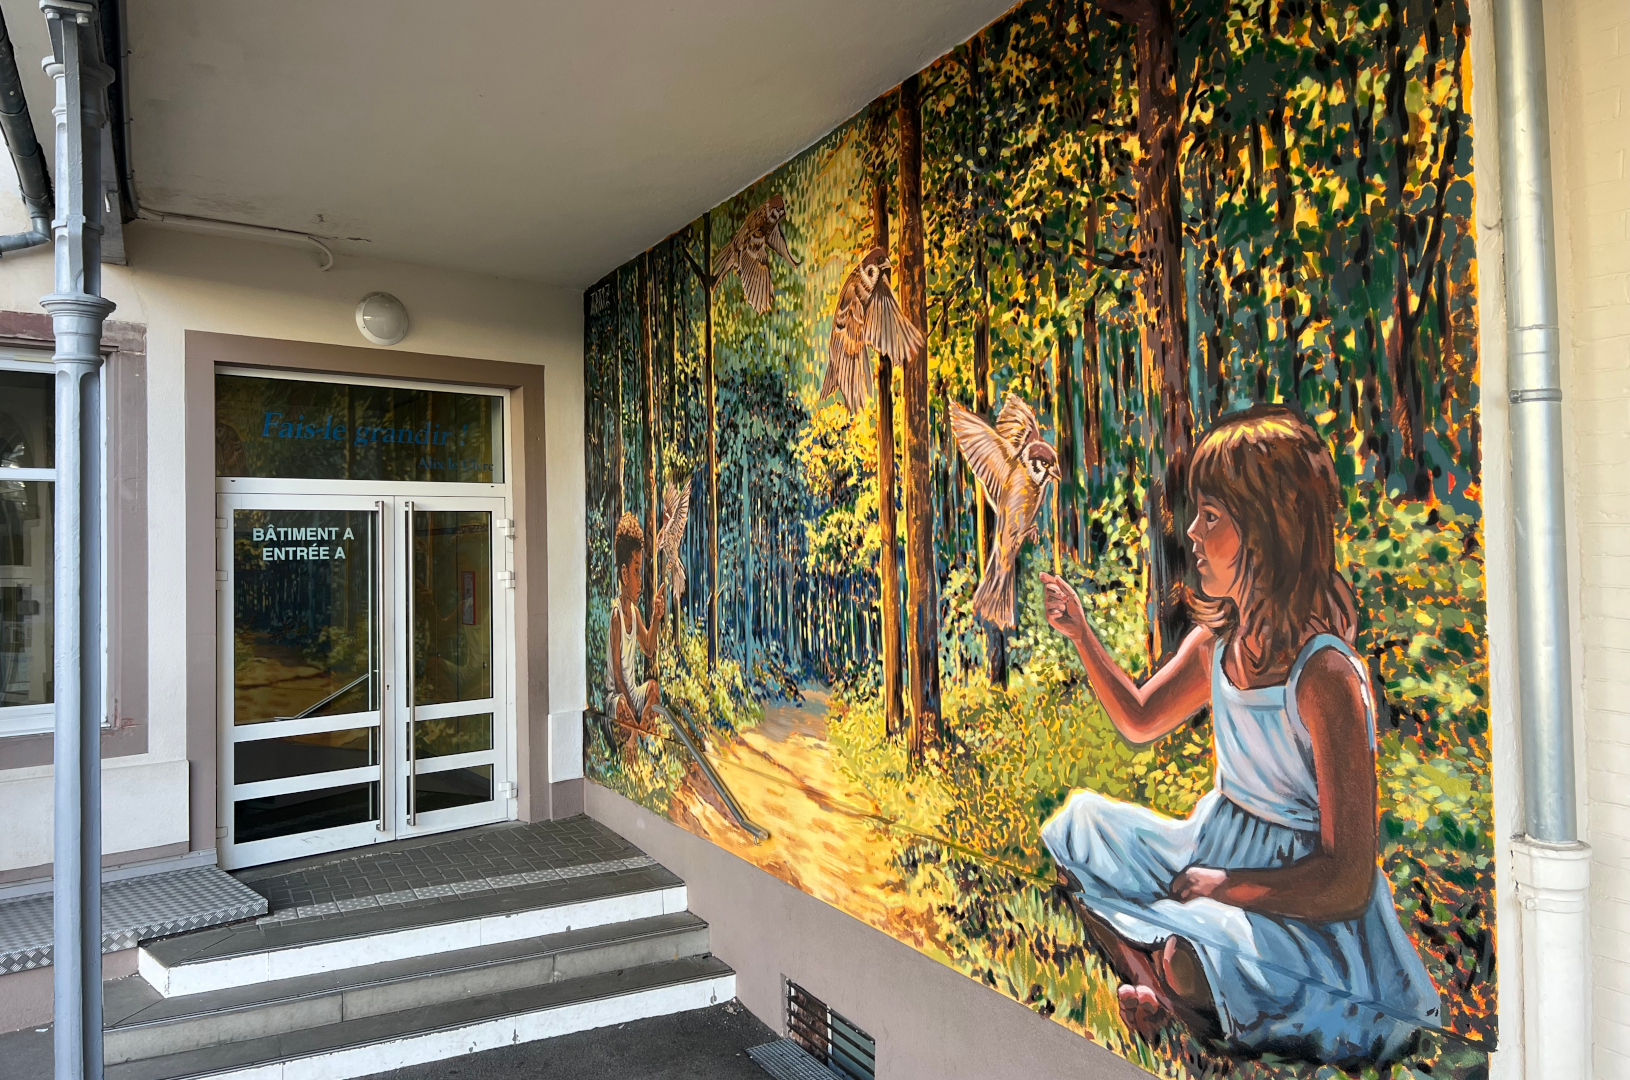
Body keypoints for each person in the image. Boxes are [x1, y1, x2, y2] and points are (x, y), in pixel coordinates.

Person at [1037, 404, 1441, 1065]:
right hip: (1212, 843)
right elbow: (1140, 718)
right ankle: (1157, 989)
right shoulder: (1216, 648)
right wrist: (1082, 633)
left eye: (1212, 516)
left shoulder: (1325, 676)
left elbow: (1346, 880)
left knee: (1193, 948)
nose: (1192, 533)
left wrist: (1225, 887)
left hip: (1298, 902)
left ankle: (1169, 979)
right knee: (1080, 828)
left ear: (1265, 531)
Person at [607, 512, 666, 734]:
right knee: (622, 704)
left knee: (652, 688)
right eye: (636, 572)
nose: (640, 581)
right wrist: (632, 711)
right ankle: (638, 736)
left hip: (632, 694)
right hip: (618, 700)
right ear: (624, 574)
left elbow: (649, 648)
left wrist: (656, 618)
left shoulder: (634, 611)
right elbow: (617, 676)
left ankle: (641, 737)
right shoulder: (616, 617)